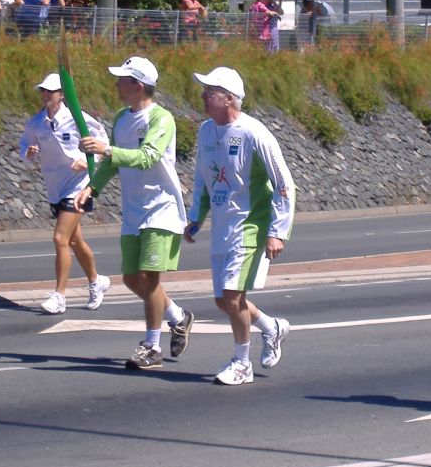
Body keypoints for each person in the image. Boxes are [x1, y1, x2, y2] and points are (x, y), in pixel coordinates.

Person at [75, 57, 195, 370]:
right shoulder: (121, 118)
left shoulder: (161, 119)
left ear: (138, 85)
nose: (116, 84)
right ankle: (178, 316)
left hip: (161, 209)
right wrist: (92, 188)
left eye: (122, 80)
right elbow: (112, 164)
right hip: (133, 210)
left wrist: (106, 149)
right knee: (131, 278)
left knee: (149, 280)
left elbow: (146, 157)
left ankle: (151, 347)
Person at [185, 66, 295, 385]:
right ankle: (271, 327)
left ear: (230, 99)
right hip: (223, 225)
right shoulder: (206, 131)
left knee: (233, 298)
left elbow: (284, 184)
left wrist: (277, 231)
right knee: (223, 301)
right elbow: (202, 180)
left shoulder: (253, 133)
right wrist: (196, 217)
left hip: (250, 225)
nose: (204, 95)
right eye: (204, 89)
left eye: (211, 91)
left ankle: (241, 363)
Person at [19, 73, 110, 315]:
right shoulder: (37, 122)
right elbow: (24, 144)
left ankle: (59, 296)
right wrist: (29, 152)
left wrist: (86, 160)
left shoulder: (77, 119)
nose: (46, 95)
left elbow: (102, 141)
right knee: (74, 240)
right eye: (43, 91)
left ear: (62, 94)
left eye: (51, 91)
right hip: (55, 186)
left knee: (60, 238)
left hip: (79, 186)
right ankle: (96, 281)